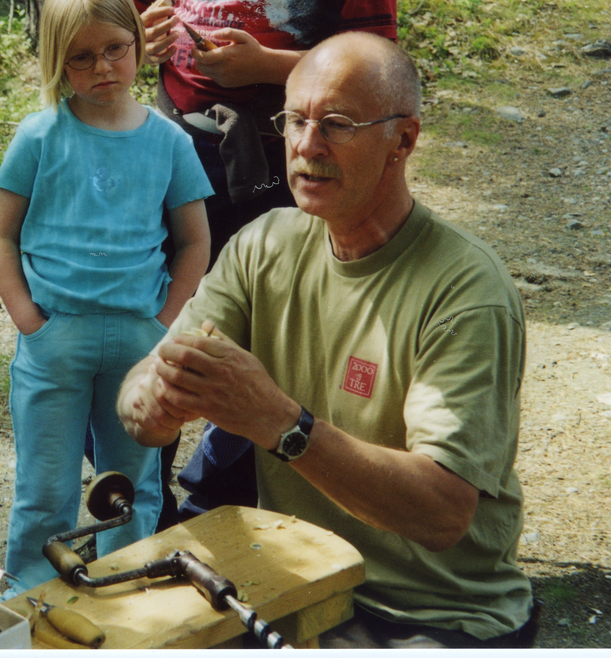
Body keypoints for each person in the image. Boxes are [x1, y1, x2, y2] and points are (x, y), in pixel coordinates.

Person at [117, 33, 537, 647]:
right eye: (294, 121)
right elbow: (143, 390)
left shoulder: (464, 290)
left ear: (405, 139)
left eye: (336, 124)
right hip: (298, 583)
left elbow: (442, 512)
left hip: (433, 614)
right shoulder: (266, 244)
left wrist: (279, 422)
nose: (306, 146)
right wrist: (156, 405)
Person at [115, 0, 398, 522]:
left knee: (273, 320)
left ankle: (228, 491)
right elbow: (121, 3)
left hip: (284, 153)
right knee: (162, 309)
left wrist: (268, 66)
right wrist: (134, 35)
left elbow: (377, 53)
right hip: (176, 144)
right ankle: (143, 492)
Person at [0, 0, 212, 594]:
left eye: (116, 48)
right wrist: (29, 320)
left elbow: (195, 241)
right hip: (56, 337)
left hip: (140, 341)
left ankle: (125, 595)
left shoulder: (170, 141)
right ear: (59, 63)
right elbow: (0, 233)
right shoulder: (40, 136)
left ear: (140, 42)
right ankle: (33, 601)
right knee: (44, 489)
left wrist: (164, 321)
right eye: (82, 58)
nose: (103, 67)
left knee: (134, 485)